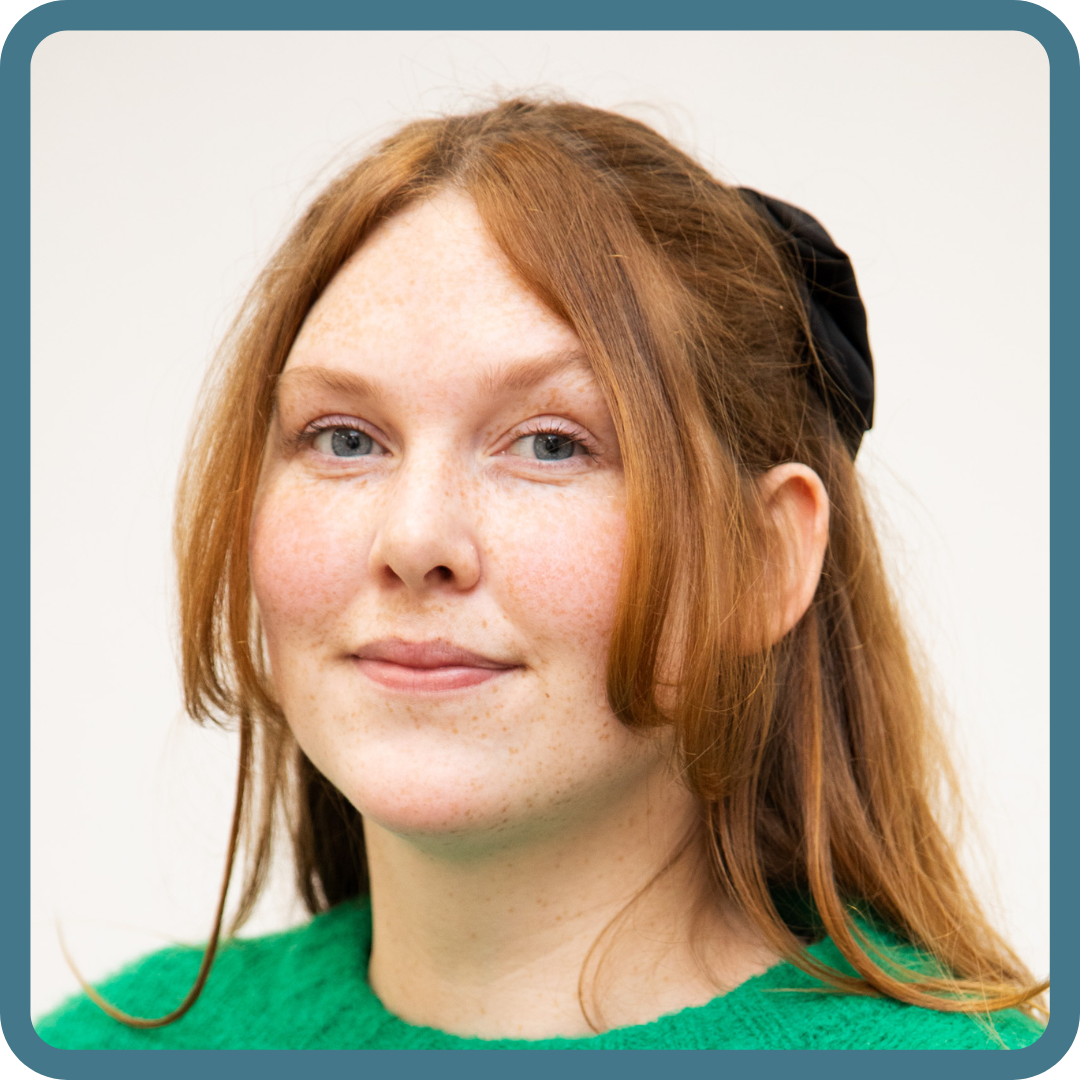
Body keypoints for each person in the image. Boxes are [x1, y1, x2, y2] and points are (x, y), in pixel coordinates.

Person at [36, 97, 1047, 1050]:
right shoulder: (97, 1044)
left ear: (765, 561)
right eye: (344, 438)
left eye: (552, 445)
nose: (414, 536)